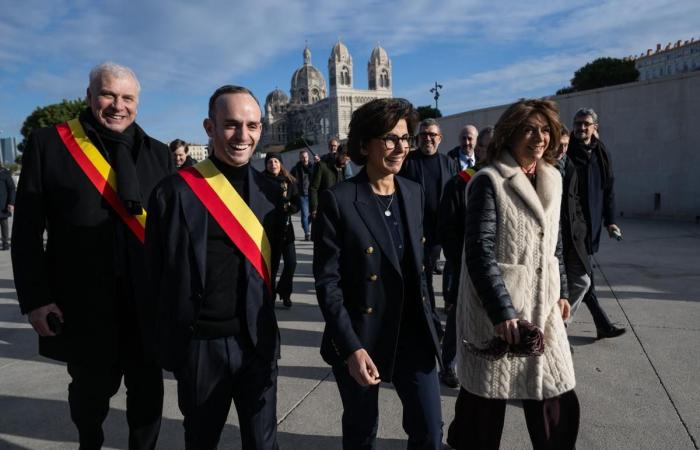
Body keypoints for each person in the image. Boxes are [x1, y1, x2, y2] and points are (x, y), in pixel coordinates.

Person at [12, 62, 172, 449]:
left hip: (145, 303)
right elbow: (27, 231)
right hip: (83, 302)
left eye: (128, 98)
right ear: (89, 96)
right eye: (108, 95)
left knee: (149, 394)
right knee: (89, 395)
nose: (118, 105)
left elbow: (170, 235)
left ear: (138, 103)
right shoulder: (50, 143)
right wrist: (35, 299)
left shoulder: (159, 153)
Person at [146, 85, 287, 450]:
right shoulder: (173, 192)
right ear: (209, 127)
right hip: (200, 348)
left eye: (253, 125)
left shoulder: (271, 193)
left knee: (263, 443)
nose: (244, 136)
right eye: (231, 125)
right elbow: (154, 273)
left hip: (258, 344)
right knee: (202, 440)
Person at [448, 99, 579, 450]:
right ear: (510, 134)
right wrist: (502, 311)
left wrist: (563, 290)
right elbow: (478, 252)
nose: (539, 137)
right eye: (529, 129)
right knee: (483, 407)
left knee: (557, 395)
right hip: (498, 313)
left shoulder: (553, 177)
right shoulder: (489, 181)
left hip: (544, 309)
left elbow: (555, 242)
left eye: (545, 129)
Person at [314, 98, 443, 450]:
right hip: (362, 335)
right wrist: (352, 347)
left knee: (430, 432)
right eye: (390, 138)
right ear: (364, 145)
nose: (401, 147)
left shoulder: (413, 193)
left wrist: (434, 321)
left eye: (406, 138)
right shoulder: (339, 200)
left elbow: (418, 270)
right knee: (362, 432)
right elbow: (329, 284)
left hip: (413, 335)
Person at [567, 108, 626, 339]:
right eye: (577, 123)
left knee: (586, 277)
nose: (581, 128)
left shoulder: (601, 152)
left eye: (586, 124)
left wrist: (610, 221)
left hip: (592, 227)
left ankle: (601, 324)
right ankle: (599, 323)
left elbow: (608, 188)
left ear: (595, 127)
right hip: (573, 226)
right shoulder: (568, 151)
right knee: (585, 276)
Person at [399, 118, 457, 311]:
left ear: (439, 138)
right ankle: (428, 316)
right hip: (414, 231)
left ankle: (428, 314)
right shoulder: (407, 162)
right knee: (422, 276)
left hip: (440, 231)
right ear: (417, 138)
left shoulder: (449, 163)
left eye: (432, 135)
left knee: (429, 273)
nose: (428, 139)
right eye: (424, 135)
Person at [557, 126, 591, 340]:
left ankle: (562, 324)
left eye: (566, 145)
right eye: (559, 145)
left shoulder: (570, 166)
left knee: (583, 281)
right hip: (553, 238)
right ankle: (557, 331)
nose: (562, 149)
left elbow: (576, 200)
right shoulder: (542, 168)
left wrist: (581, 226)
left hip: (573, 236)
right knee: (557, 289)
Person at [262, 152, 300, 307]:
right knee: (273, 266)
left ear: (281, 164)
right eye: (270, 162)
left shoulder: (289, 181)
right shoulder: (261, 182)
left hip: (286, 229)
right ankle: (269, 295)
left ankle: (284, 291)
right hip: (270, 230)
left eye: (276, 161)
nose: (273, 164)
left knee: (291, 263)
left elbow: (296, 203)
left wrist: (289, 207)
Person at [309, 146, 350, 218]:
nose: (346, 163)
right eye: (345, 159)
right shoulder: (322, 166)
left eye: (348, 160)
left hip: (340, 209)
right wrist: (314, 209)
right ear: (337, 154)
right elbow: (313, 188)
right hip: (325, 209)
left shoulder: (344, 168)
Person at [290, 149, 314, 240]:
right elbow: (290, 178)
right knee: (304, 214)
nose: (304, 159)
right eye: (302, 157)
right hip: (302, 194)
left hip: (312, 194)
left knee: (313, 214)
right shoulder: (296, 168)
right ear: (300, 158)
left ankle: (305, 224)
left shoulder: (313, 167)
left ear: (308, 157)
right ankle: (307, 233)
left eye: (306, 157)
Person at [0, 164, 16, 250]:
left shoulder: (5, 173)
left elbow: (12, 189)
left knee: (4, 224)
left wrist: (11, 203)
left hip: (3, 204)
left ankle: (5, 243)